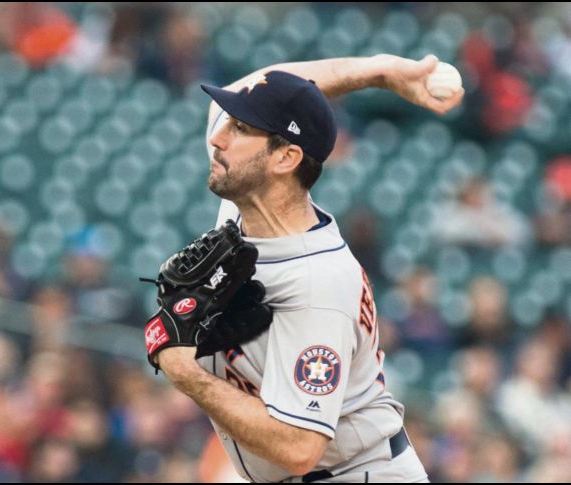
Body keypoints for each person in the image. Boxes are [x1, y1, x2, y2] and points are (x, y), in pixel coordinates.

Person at [150, 54, 463, 482]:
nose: (220, 135)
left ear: (286, 158)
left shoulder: (319, 285)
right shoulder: (245, 200)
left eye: (240, 127)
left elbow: (299, 447)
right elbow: (259, 87)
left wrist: (184, 370)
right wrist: (377, 72)